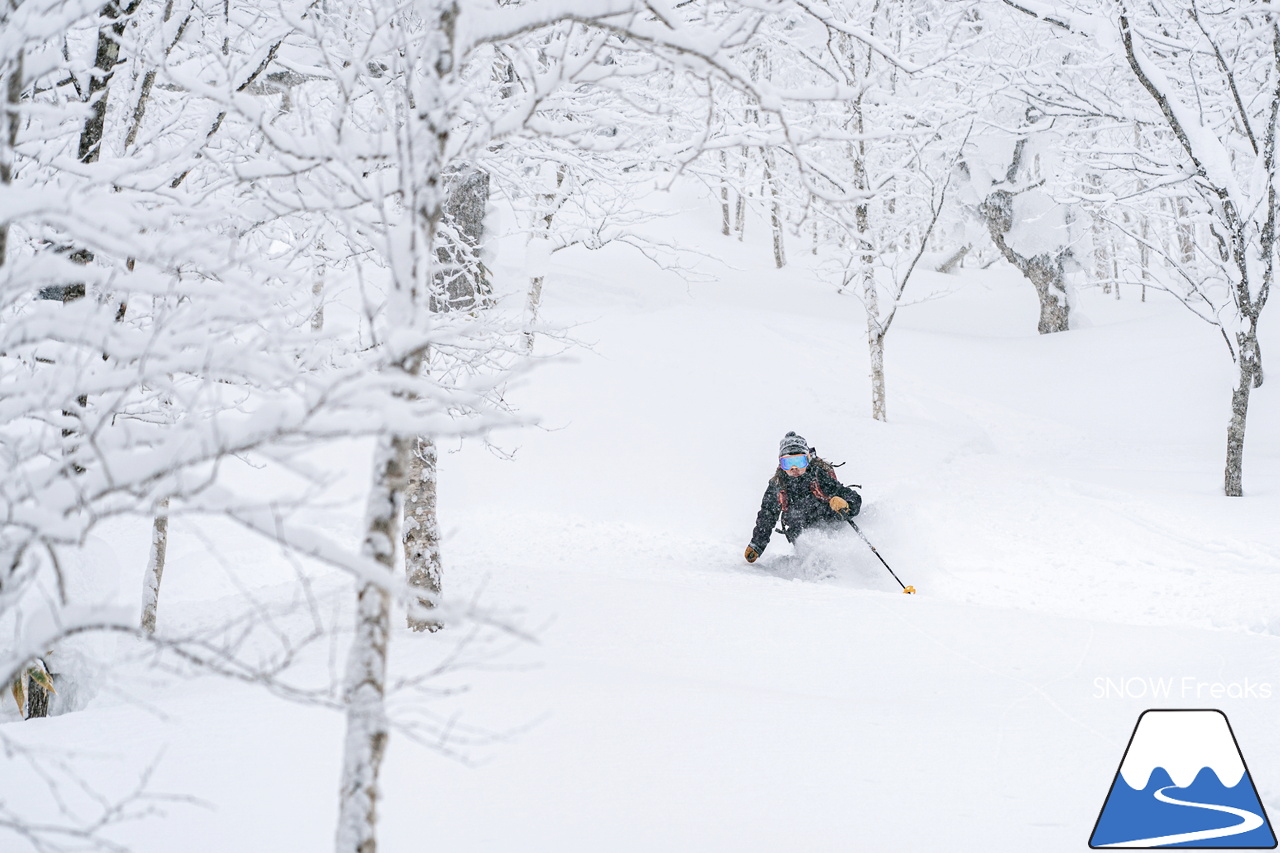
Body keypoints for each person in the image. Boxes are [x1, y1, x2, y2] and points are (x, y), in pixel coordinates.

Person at [744, 431, 862, 563]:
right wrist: (757, 545)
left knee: (831, 549)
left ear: (808, 459)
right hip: (800, 529)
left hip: (828, 521)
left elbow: (853, 497)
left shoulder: (819, 476)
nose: (794, 469)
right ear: (781, 465)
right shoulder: (778, 485)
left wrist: (847, 505)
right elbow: (767, 515)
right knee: (802, 533)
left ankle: (841, 565)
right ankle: (812, 568)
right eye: (788, 463)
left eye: (799, 462)